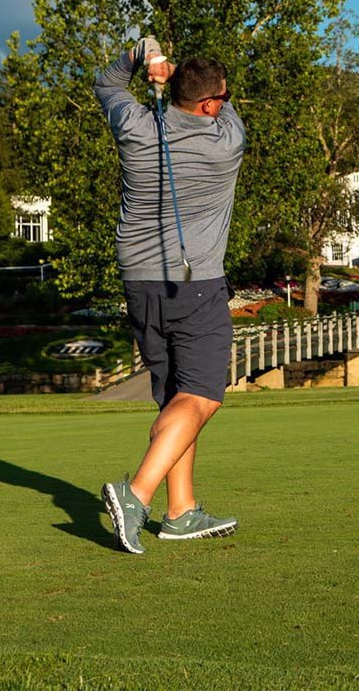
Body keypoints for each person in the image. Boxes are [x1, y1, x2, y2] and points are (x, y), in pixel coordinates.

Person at [95, 38, 246, 554]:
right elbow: (222, 111)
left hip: (139, 284)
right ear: (209, 105)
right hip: (197, 283)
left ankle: (180, 510)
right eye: (224, 96)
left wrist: (141, 57)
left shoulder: (135, 127)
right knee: (201, 396)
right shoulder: (227, 141)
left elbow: (106, 82)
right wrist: (175, 76)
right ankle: (135, 493)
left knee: (175, 395)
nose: (227, 103)